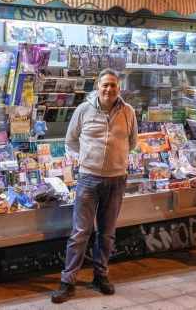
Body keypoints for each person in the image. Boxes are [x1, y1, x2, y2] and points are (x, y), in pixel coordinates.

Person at [51, 68, 138, 304]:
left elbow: (132, 142)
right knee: (80, 233)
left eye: (113, 85)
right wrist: (87, 159)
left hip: (117, 180)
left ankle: (101, 276)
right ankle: (67, 282)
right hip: (88, 179)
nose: (109, 89)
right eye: (105, 85)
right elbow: (70, 140)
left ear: (118, 88)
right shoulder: (83, 110)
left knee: (107, 234)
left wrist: (115, 161)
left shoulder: (128, 112)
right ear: (97, 87)